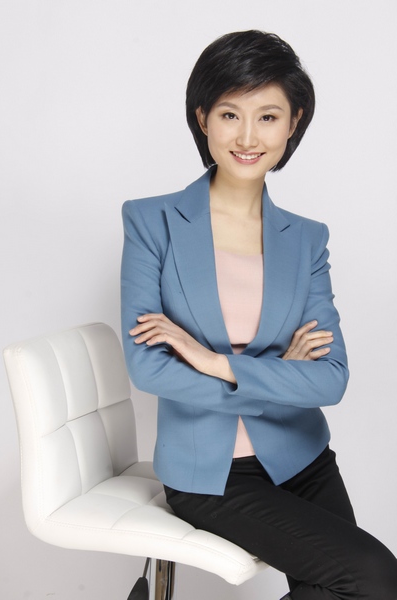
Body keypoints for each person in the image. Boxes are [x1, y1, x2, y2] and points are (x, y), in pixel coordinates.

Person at [121, 30, 397, 599]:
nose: (248, 137)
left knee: (366, 586)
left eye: (268, 117)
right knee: (372, 576)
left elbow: (331, 379)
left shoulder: (307, 240)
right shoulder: (152, 222)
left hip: (302, 455)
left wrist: (213, 362)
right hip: (209, 473)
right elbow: (148, 369)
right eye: (230, 115)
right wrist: (277, 375)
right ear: (202, 118)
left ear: (293, 123)